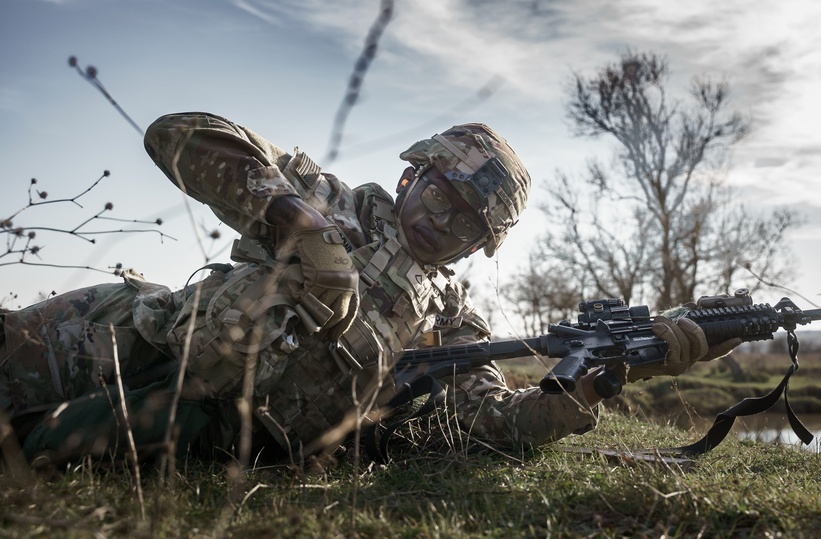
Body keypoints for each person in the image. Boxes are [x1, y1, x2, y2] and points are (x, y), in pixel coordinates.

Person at [0, 112, 738, 468]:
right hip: (121, 334)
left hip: (205, 427)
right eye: (442, 195)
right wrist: (299, 221)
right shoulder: (330, 198)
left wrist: (574, 401)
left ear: (482, 245)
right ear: (414, 174)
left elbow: (492, 420)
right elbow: (181, 136)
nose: (445, 223)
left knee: (29, 449)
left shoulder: (450, 318)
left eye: (469, 225)